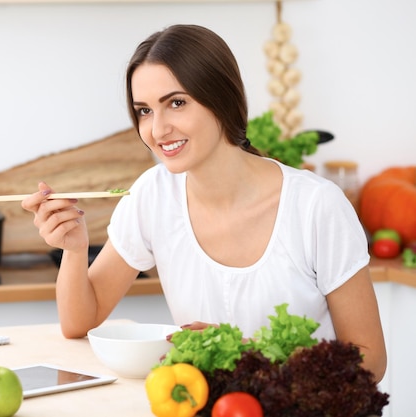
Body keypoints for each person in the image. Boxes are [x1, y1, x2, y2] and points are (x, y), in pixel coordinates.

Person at [21, 24, 387, 383]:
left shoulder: (316, 206)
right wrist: (73, 248)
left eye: (176, 103)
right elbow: (79, 323)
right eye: (144, 111)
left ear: (222, 99)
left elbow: (370, 359)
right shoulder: (153, 194)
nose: (158, 129)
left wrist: (249, 355)